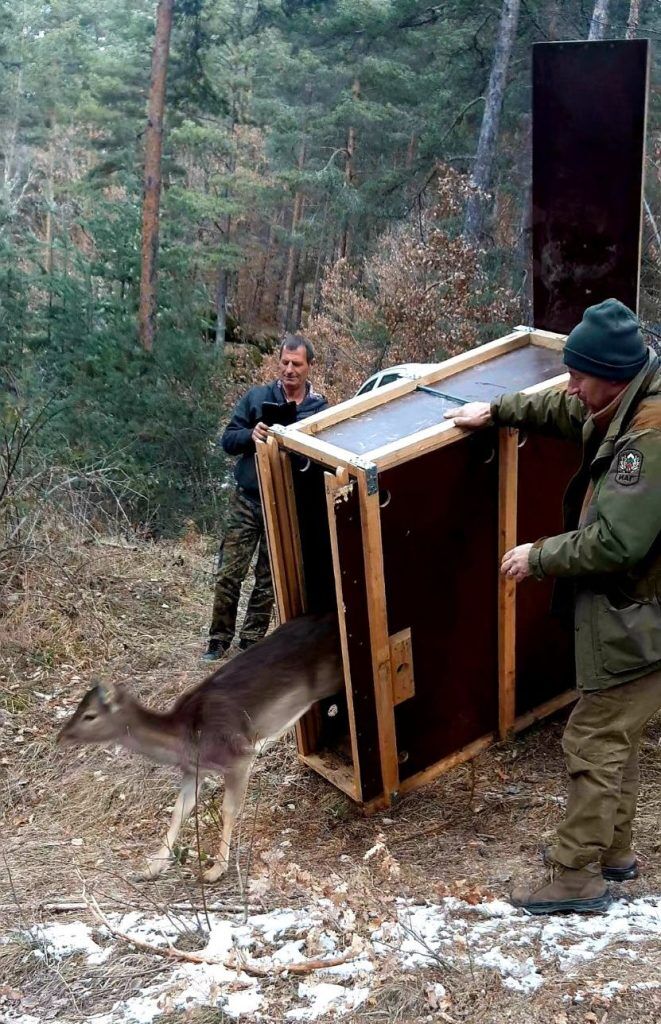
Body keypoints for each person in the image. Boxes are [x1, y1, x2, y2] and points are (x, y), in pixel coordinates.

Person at [445, 298, 661, 916]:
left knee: (592, 739)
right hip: (634, 615)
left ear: (612, 376)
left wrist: (538, 556)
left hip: (643, 617)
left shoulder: (650, 436)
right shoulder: (620, 397)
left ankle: (574, 877)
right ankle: (614, 854)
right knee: (614, 736)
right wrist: (498, 410)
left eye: (580, 375)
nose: (571, 386)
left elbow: (619, 542)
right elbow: (566, 408)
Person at [202, 334, 327, 661]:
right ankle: (218, 640)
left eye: (296, 364)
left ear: (308, 366)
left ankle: (250, 646)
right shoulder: (257, 397)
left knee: (269, 580)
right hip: (248, 500)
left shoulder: (319, 409)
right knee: (229, 573)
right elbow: (228, 440)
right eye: (284, 362)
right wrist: (250, 435)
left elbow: (325, 461)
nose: (289, 369)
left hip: (285, 505)